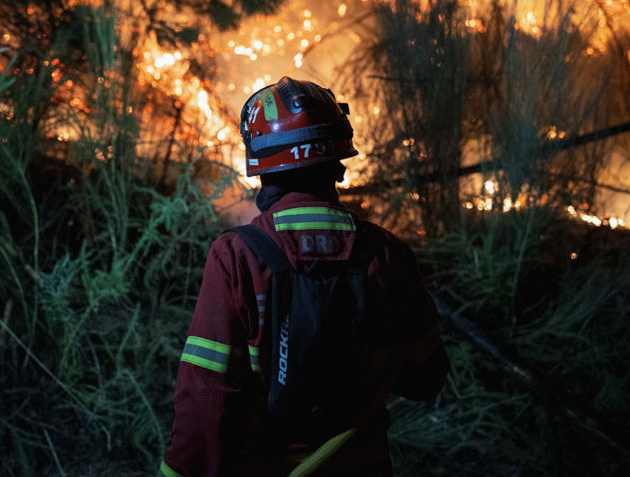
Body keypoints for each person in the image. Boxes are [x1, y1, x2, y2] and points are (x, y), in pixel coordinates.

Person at [158, 76, 449, 477]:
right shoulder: (386, 253)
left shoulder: (238, 256)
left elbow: (208, 398)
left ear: (259, 165)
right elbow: (426, 377)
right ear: (339, 164)